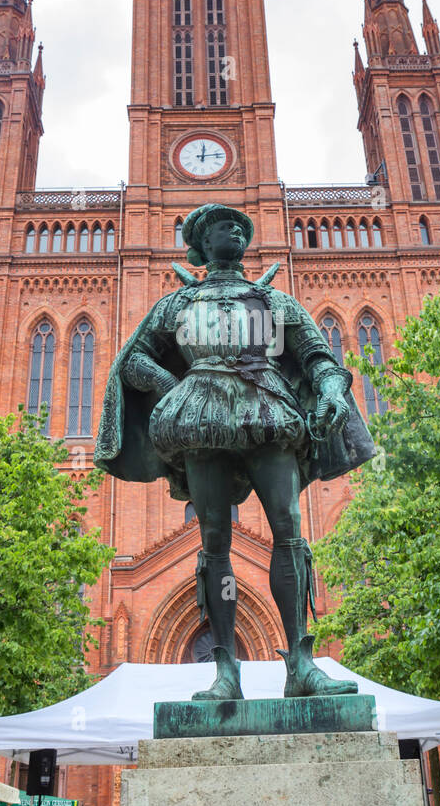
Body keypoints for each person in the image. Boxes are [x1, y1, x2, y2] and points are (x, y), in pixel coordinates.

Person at [96, 204, 375, 701]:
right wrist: (177, 387)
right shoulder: (177, 305)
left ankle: (301, 663)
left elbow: (318, 359)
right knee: (215, 542)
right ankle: (226, 670)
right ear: (203, 243)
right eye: (224, 226)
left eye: (241, 227)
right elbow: (132, 358)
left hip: (269, 417)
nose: (236, 231)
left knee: (288, 530)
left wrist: (332, 391)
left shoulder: (274, 300)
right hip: (202, 424)